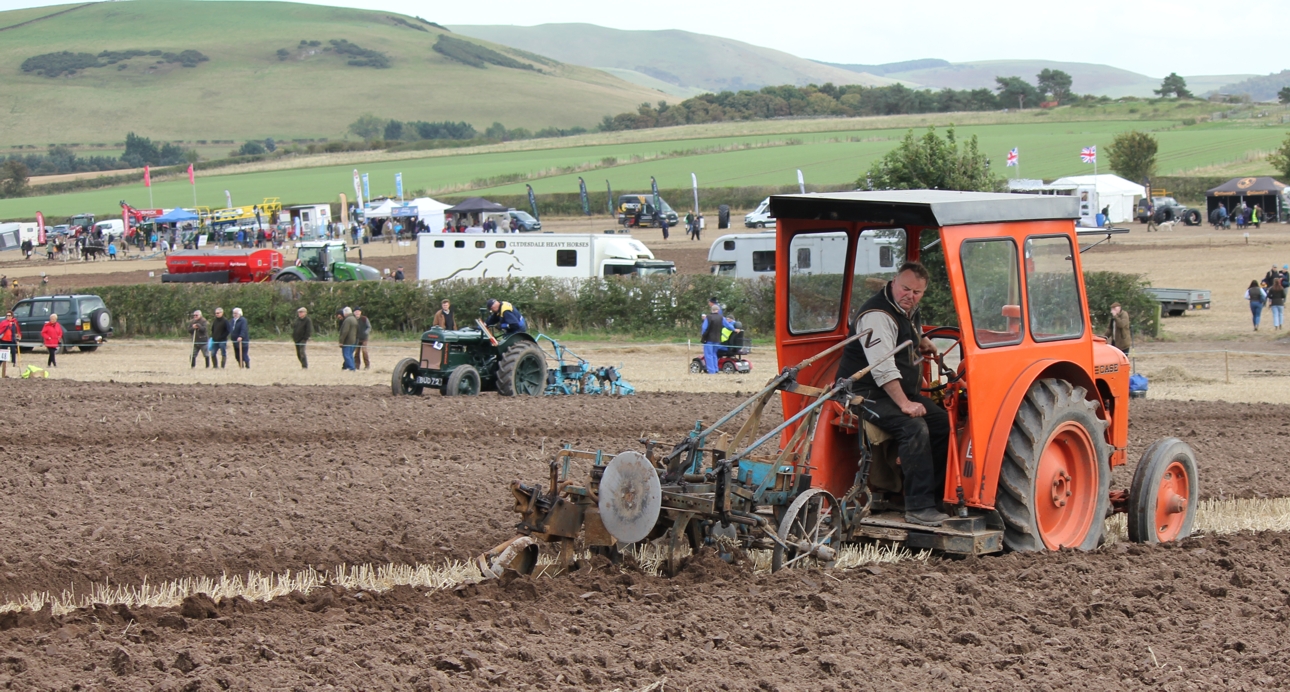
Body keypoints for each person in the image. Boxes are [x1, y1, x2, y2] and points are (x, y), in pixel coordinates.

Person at [834, 262, 950, 527]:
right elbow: (882, 368)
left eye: (917, 292)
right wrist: (906, 404)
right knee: (914, 427)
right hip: (862, 392)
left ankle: (933, 496)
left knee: (942, 424)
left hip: (892, 392)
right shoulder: (877, 315)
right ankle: (918, 508)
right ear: (893, 282)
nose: (910, 295)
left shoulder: (904, 308)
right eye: (905, 288)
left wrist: (923, 341)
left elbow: (904, 330)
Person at [699, 303, 738, 374]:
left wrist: (703, 335)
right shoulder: (721, 318)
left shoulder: (708, 317)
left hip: (709, 339)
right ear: (718, 310)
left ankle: (711, 371)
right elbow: (728, 325)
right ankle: (716, 369)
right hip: (717, 339)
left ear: (711, 310)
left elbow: (704, 328)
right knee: (714, 354)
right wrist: (734, 329)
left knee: (708, 355)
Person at [0, 309, 19, 378]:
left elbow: (17, 331)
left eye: (9, 315)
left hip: (11, 339)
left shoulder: (14, 323)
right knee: (3, 352)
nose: (8, 316)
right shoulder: (3, 322)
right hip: (4, 340)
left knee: (13, 351)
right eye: (7, 315)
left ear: (12, 316)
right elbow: (1, 329)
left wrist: (17, 337)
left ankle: (14, 362)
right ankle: (1, 363)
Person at [338, 307, 359, 371]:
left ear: (345, 313)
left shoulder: (347, 320)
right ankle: (352, 367)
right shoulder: (354, 318)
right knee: (350, 355)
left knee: (346, 355)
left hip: (348, 341)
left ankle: (351, 368)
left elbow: (345, 331)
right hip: (354, 340)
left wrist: (341, 341)